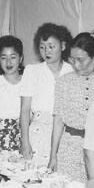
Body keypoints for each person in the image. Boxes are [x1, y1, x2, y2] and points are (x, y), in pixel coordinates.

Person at [49, 31, 94, 182]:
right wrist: (53, 155)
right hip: (70, 149)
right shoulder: (64, 81)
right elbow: (58, 120)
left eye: (80, 59)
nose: (75, 64)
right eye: (72, 59)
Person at [19, 23, 73, 165]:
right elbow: (25, 110)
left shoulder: (72, 71)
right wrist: (25, 141)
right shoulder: (32, 71)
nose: (46, 51)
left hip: (65, 133)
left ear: (62, 46)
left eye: (51, 46)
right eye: (42, 47)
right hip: (38, 132)